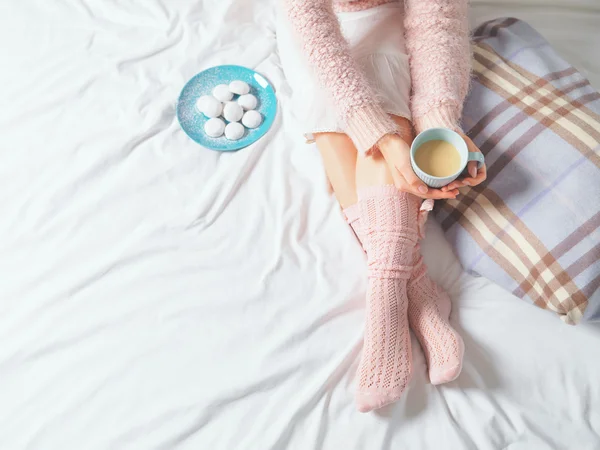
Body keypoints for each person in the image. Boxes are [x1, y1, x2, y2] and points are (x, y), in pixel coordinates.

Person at [277, 0, 487, 412]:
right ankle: (417, 289)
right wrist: (381, 134)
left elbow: (437, 26)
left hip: (391, 21)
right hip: (316, 27)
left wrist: (439, 123)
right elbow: (310, 24)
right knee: (333, 123)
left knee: (390, 93)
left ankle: (386, 296)